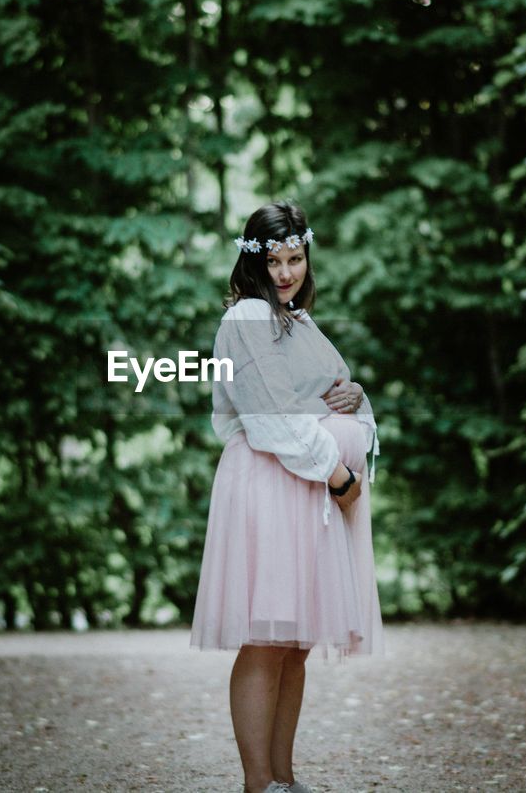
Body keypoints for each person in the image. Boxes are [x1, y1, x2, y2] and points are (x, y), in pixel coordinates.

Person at [189, 200, 385, 793]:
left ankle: (284, 778)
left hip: (306, 494)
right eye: (273, 261)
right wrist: (339, 476)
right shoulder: (247, 318)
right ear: (252, 261)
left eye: (295, 259)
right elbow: (272, 418)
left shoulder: (296, 319)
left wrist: (355, 401)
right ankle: (258, 783)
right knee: (267, 639)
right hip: (274, 487)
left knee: (295, 645)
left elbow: (339, 390)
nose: (285, 273)